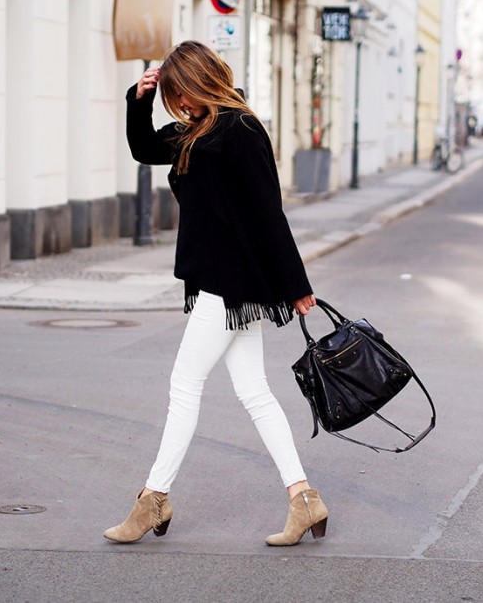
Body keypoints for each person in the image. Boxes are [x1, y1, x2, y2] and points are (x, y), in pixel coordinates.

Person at [103, 40, 328, 547]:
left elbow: (268, 212)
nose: (179, 105)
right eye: (172, 98)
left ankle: (154, 498)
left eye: (181, 93)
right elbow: (143, 149)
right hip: (221, 280)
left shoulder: (240, 129)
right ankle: (304, 499)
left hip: (229, 284)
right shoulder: (196, 129)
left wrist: (296, 285)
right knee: (254, 392)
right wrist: (139, 99)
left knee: (185, 384)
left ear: (201, 81)